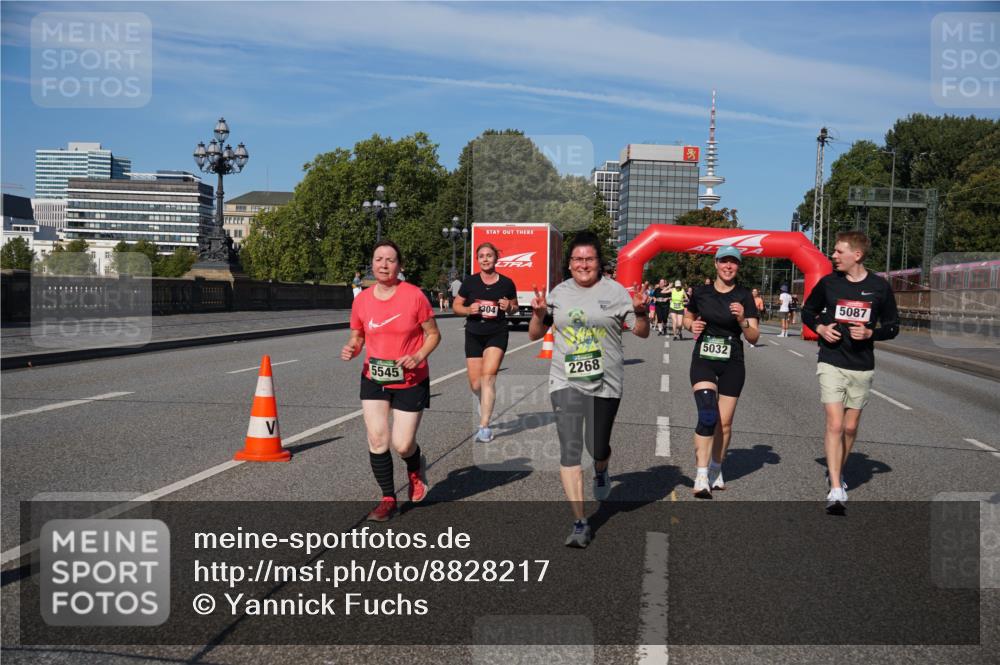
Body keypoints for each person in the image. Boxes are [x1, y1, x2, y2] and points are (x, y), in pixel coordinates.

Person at [529, 232, 650, 547]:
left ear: (599, 263)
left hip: (606, 381)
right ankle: (580, 521)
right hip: (564, 379)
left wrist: (640, 311)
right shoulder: (558, 293)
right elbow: (533, 335)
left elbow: (642, 333)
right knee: (570, 449)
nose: (583, 265)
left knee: (597, 446)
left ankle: (601, 468)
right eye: (578, 259)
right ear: (569, 264)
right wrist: (539, 314)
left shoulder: (617, 292)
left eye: (590, 259)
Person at [341, 240, 441, 522]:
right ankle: (387, 498)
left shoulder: (414, 296)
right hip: (374, 377)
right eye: (378, 259)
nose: (383, 265)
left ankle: (414, 465)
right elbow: (358, 336)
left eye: (390, 260)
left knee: (402, 444)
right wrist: (352, 347)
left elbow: (434, 334)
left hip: (411, 378)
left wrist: (418, 355)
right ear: (371, 264)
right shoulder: (361, 300)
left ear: (400, 266)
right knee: (377, 439)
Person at [800, 231, 898, 515]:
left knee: (850, 427)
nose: (833, 256)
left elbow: (893, 326)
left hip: (862, 365)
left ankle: (838, 470)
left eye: (838, 251)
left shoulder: (879, 287)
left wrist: (871, 332)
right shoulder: (829, 283)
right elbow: (808, 311)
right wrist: (820, 328)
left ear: (857, 255)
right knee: (834, 423)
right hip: (831, 361)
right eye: (833, 251)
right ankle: (835, 487)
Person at [683, 246, 760, 498]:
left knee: (724, 423)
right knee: (707, 414)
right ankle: (701, 474)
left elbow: (754, 336)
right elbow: (687, 317)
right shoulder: (701, 292)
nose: (729, 267)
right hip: (704, 357)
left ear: (738, 267)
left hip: (733, 360)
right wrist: (690, 324)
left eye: (733, 263)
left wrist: (741, 320)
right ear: (715, 264)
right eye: (724, 262)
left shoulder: (744, 296)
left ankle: (716, 468)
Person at [452, 242, 518, 443]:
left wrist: (508, 307)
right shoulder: (470, 282)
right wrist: (467, 310)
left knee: (488, 378)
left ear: (496, 259)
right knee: (475, 383)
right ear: (478, 259)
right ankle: (484, 401)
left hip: (496, 333)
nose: (486, 259)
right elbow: (456, 306)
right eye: (482, 256)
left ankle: (484, 426)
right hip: (473, 333)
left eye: (489, 255)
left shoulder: (506, 283)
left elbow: (514, 307)